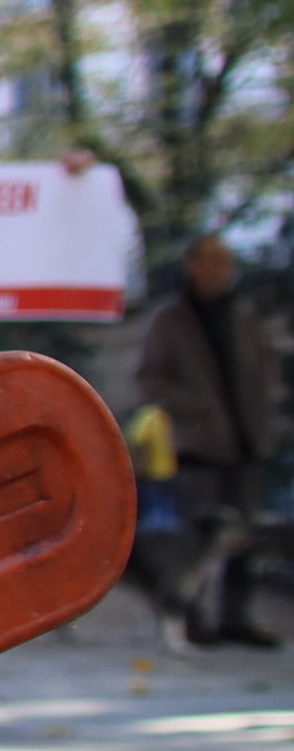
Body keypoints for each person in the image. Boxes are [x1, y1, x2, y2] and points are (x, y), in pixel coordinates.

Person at [138, 234, 281, 646]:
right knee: (194, 537)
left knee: (244, 536)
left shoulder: (243, 315)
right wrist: (195, 408)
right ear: (192, 265)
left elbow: (265, 369)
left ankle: (236, 618)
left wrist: (265, 413)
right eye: (214, 261)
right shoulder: (170, 320)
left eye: (227, 262)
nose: (223, 270)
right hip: (199, 446)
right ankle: (191, 617)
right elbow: (150, 380)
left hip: (247, 441)